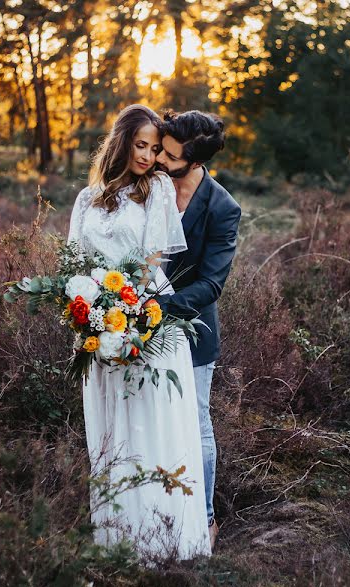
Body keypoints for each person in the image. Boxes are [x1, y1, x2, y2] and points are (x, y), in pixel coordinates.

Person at [67, 104, 211, 560]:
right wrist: (88, 309)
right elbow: (75, 262)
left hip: (145, 318)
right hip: (97, 322)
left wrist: (127, 313)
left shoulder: (158, 191)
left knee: (150, 423)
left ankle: (163, 537)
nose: (148, 156)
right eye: (141, 145)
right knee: (113, 424)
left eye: (154, 148)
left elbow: (152, 266)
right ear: (122, 141)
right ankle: (116, 534)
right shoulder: (87, 199)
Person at [155, 109, 241, 550]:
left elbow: (212, 283)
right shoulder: (149, 184)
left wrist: (157, 306)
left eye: (170, 156)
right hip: (133, 323)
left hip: (192, 331)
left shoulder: (223, 208)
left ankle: (205, 517)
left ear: (193, 161)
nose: (159, 159)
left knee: (197, 423)